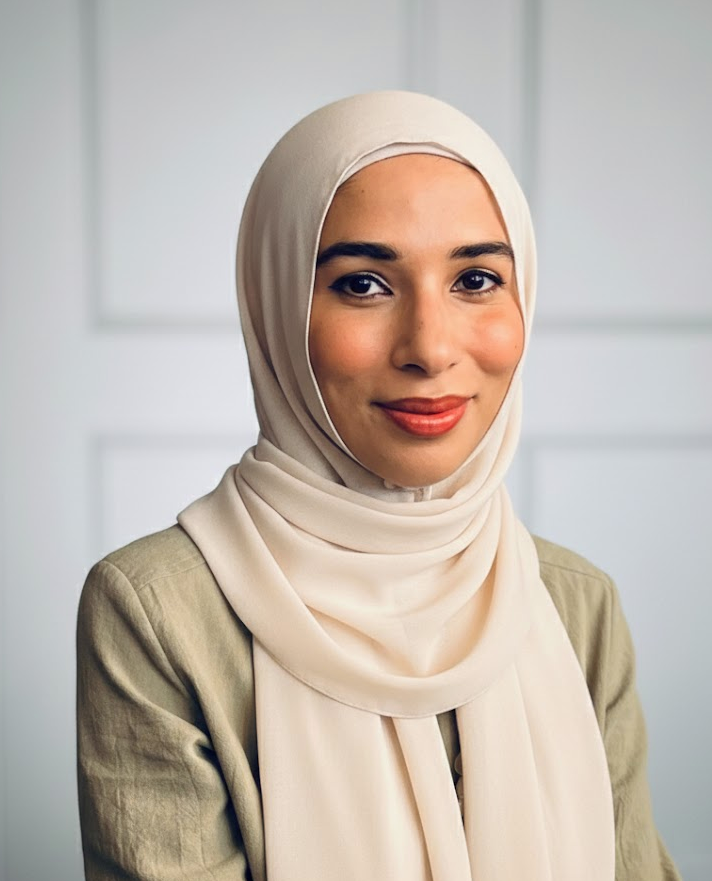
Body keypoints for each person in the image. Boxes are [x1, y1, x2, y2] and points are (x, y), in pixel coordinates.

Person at [76, 90, 681, 881]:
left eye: (475, 278)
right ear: (275, 307)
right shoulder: (157, 610)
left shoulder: (574, 603)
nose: (429, 348)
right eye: (363, 283)